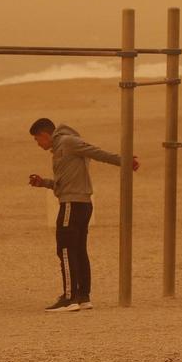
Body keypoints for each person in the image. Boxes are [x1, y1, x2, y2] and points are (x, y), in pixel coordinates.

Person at [27, 118, 139, 312]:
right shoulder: (61, 148)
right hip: (79, 203)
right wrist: (43, 182)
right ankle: (82, 296)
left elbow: (97, 152)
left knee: (65, 249)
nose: (38, 144)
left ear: (45, 135)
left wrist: (124, 160)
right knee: (78, 249)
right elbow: (64, 184)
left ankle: (70, 298)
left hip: (73, 204)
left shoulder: (68, 142)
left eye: (37, 140)